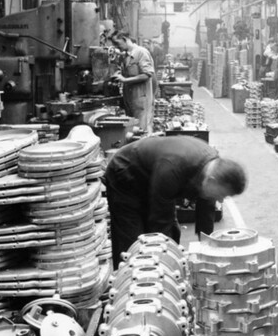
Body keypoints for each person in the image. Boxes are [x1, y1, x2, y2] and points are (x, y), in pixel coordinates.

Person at [103, 135, 247, 268]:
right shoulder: (173, 169)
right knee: (132, 243)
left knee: (172, 235)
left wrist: (206, 249)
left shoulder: (212, 169)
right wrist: (165, 264)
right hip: (126, 175)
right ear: (212, 181)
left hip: (156, 177)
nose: (221, 199)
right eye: (221, 194)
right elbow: (159, 222)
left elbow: (206, 211)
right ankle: (127, 283)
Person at [110, 32, 155, 134]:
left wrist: (125, 80)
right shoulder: (126, 56)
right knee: (132, 132)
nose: (116, 47)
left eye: (117, 43)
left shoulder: (141, 52)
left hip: (141, 100)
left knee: (142, 131)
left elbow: (147, 74)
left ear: (125, 39)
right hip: (130, 100)